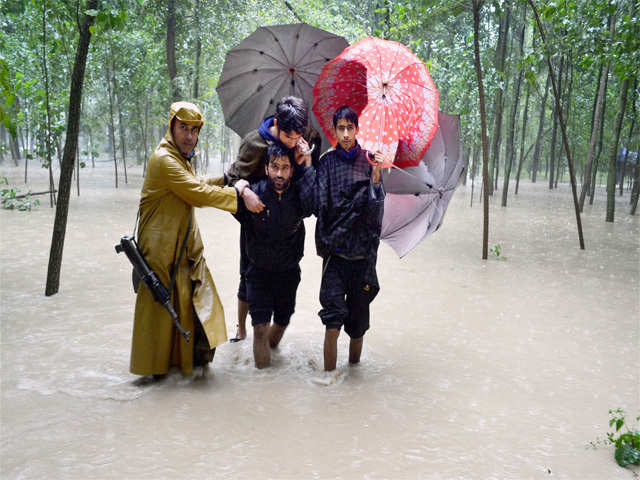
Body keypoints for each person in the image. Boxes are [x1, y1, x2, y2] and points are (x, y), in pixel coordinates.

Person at [129, 101, 255, 378]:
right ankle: (157, 374)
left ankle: (183, 369)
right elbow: (196, 194)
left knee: (188, 308)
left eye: (194, 130)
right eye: (183, 128)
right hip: (160, 253)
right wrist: (239, 196)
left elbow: (195, 184)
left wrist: (225, 179)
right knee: (161, 314)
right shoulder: (164, 160)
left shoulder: (178, 159)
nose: (189, 136)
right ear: (171, 127)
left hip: (181, 249)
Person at [298, 105, 384, 371]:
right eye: (341, 128)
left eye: (350, 127)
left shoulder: (370, 161)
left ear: (357, 129)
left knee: (358, 327)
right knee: (332, 322)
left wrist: (377, 175)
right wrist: (309, 166)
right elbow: (316, 205)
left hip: (362, 257)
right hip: (335, 255)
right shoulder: (327, 162)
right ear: (334, 131)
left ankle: (354, 379)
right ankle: (330, 382)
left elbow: (376, 212)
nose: (346, 133)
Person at [225, 96, 316, 342]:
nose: (294, 142)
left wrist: (302, 158)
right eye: (289, 137)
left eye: (298, 136)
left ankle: (270, 331)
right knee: (247, 275)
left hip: (287, 220)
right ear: (277, 124)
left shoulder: (301, 143)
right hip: (255, 217)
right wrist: (246, 193)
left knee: (284, 279)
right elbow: (232, 177)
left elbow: (307, 186)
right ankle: (242, 328)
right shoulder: (255, 143)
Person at [232, 144, 313, 367]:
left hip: (288, 272)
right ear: (266, 168)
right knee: (259, 328)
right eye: (275, 166)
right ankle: (262, 389)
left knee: (280, 324)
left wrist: (306, 161)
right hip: (258, 272)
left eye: (285, 167)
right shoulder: (254, 194)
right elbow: (223, 195)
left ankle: (270, 354)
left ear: (292, 171)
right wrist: (241, 189)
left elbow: (316, 202)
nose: (279, 173)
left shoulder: (300, 195)